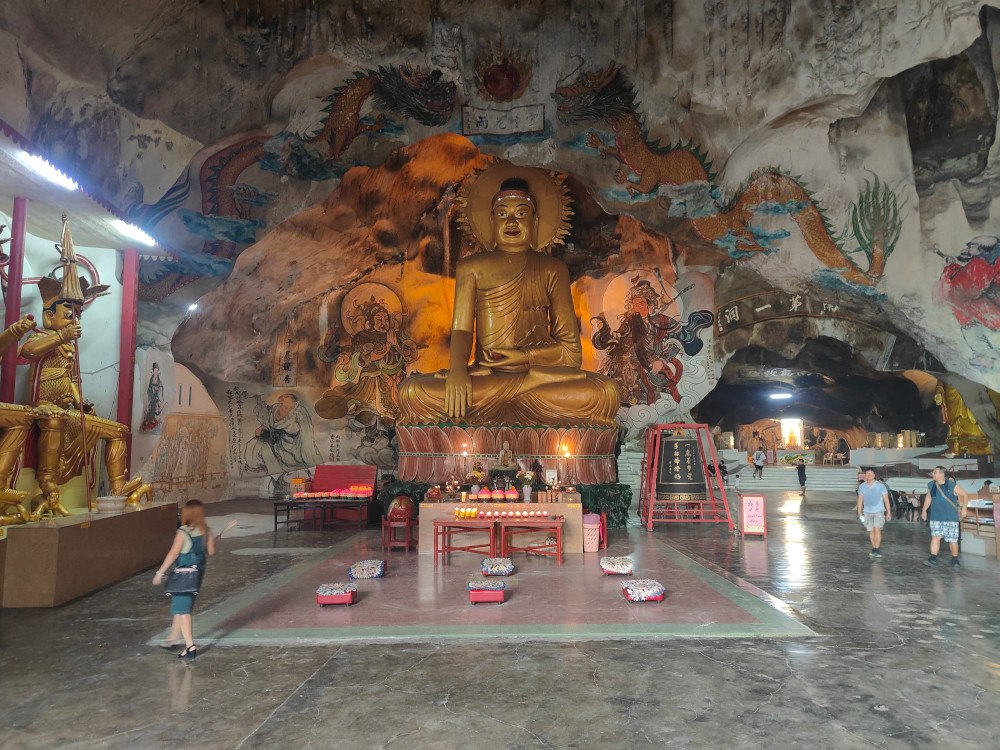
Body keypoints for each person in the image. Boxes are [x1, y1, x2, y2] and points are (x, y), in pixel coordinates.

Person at [397, 166, 620, 427]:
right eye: (502, 215)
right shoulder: (472, 268)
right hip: (486, 378)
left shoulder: (552, 269)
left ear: (535, 223)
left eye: (521, 214)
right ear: (491, 222)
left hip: (536, 379)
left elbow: (571, 352)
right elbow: (461, 330)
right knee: (412, 392)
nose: (511, 222)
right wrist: (458, 371)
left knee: (605, 393)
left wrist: (524, 358)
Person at [152, 500, 237, 659]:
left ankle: (190, 646)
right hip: (197, 575)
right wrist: (217, 538)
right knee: (182, 607)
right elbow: (210, 551)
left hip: (184, 574)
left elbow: (173, 554)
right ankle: (173, 638)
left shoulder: (183, 532)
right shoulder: (207, 531)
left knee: (183, 611)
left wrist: (160, 573)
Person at [921, 465, 970, 568]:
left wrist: (964, 508)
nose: (933, 474)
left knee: (952, 540)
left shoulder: (951, 485)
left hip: (950, 517)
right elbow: (929, 498)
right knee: (935, 537)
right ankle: (933, 558)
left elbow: (965, 495)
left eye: (935, 472)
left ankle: (955, 559)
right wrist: (924, 510)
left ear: (942, 474)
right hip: (936, 516)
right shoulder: (933, 485)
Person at [856, 469, 892, 559]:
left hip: (878, 511)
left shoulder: (881, 486)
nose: (868, 475)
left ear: (874, 475)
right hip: (867, 511)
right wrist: (859, 512)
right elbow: (860, 500)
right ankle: (874, 547)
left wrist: (888, 512)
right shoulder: (862, 486)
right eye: (867, 473)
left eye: (870, 473)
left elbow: (886, 500)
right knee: (871, 530)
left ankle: (877, 548)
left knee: (877, 529)